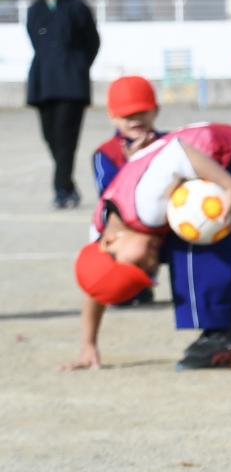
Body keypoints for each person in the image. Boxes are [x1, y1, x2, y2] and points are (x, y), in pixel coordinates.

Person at [65, 121, 231, 372]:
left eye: (139, 264)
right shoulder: (102, 232)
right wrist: (88, 344)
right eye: (147, 272)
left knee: (191, 234)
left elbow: (177, 152)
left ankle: (220, 333)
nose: (151, 265)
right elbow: (95, 287)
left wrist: (230, 185)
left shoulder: (147, 205)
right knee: (204, 234)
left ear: (110, 242)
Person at [24, 0, 100, 209]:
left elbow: (92, 42)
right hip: (44, 82)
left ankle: (61, 190)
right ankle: (68, 186)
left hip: (71, 83)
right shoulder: (35, 10)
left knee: (66, 138)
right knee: (50, 136)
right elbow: (36, 41)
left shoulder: (78, 7)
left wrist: (78, 66)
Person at [92, 76, 167, 306]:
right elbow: (109, 197)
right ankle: (129, 285)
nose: (135, 120)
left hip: (166, 223)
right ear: (112, 116)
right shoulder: (105, 153)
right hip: (128, 227)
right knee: (106, 238)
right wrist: (133, 165)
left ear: (155, 111)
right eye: (127, 115)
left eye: (142, 112)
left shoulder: (171, 143)